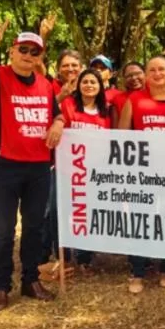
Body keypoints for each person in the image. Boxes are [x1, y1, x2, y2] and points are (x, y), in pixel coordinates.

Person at [0, 20, 65, 312]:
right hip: (5, 164)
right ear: (12, 51)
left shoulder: (45, 85)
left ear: (40, 57)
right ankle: (1, 286)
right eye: (23, 49)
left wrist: (58, 123)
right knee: (5, 229)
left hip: (38, 166)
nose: (28, 56)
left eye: (35, 52)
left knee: (34, 227)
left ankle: (30, 281)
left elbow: (57, 114)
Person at [117, 56, 165, 294]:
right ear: (146, 74)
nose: (157, 74)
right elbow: (121, 135)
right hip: (143, 174)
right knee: (140, 220)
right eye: (152, 70)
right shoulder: (135, 99)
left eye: (162, 69)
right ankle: (138, 272)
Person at [52, 69, 111, 274]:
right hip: (66, 170)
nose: (89, 85)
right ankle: (64, 258)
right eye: (85, 81)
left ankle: (85, 257)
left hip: (93, 174)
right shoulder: (69, 105)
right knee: (60, 213)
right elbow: (54, 117)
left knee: (87, 214)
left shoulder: (106, 112)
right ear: (78, 86)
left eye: (93, 82)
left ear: (100, 87)